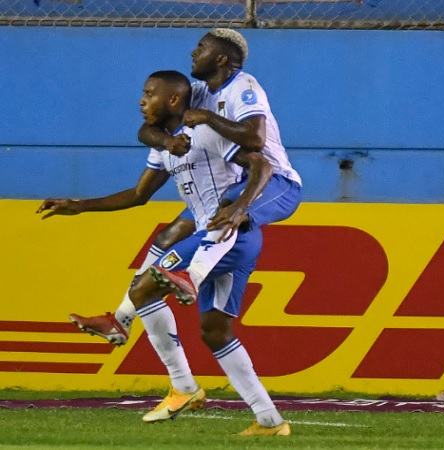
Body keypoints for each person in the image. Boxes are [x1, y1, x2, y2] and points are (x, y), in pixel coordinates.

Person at [38, 71, 291, 436]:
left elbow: (262, 164)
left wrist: (241, 207)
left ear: (173, 101)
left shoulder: (208, 133)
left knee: (145, 286)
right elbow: (138, 194)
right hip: (220, 240)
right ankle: (270, 421)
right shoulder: (166, 146)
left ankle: (183, 387)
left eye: (149, 94)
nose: (142, 101)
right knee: (215, 332)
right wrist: (80, 205)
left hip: (227, 235)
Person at [70, 28, 302, 342]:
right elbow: (149, 125)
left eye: (201, 47)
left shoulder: (244, 86)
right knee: (171, 234)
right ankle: (121, 320)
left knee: (227, 210)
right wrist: (167, 141)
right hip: (231, 184)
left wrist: (208, 118)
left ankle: (191, 277)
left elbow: (255, 140)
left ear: (221, 58)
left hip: (273, 181)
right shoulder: (197, 90)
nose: (193, 52)